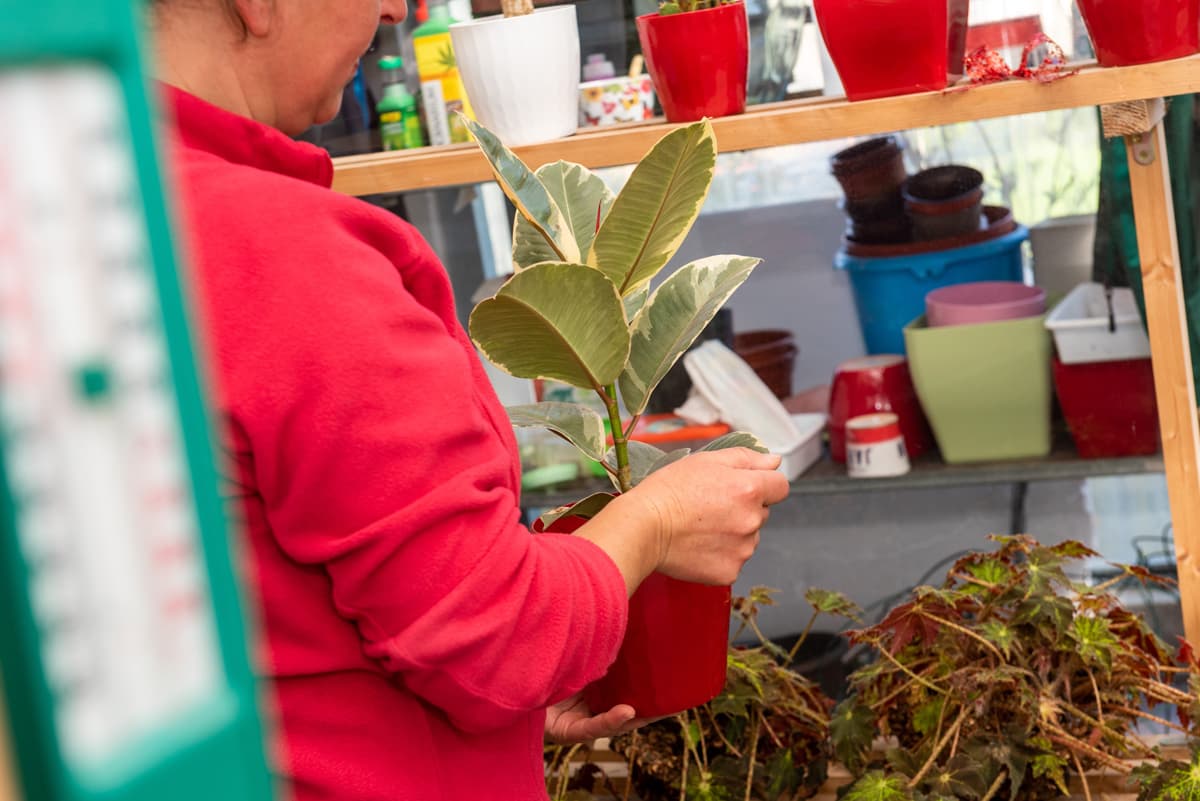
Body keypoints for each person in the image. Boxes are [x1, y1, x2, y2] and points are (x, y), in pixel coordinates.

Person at [148, 1, 791, 798]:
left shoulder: (93, 223)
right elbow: (501, 637)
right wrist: (655, 521)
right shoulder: (284, 257)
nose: (392, 10)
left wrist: (495, 701)